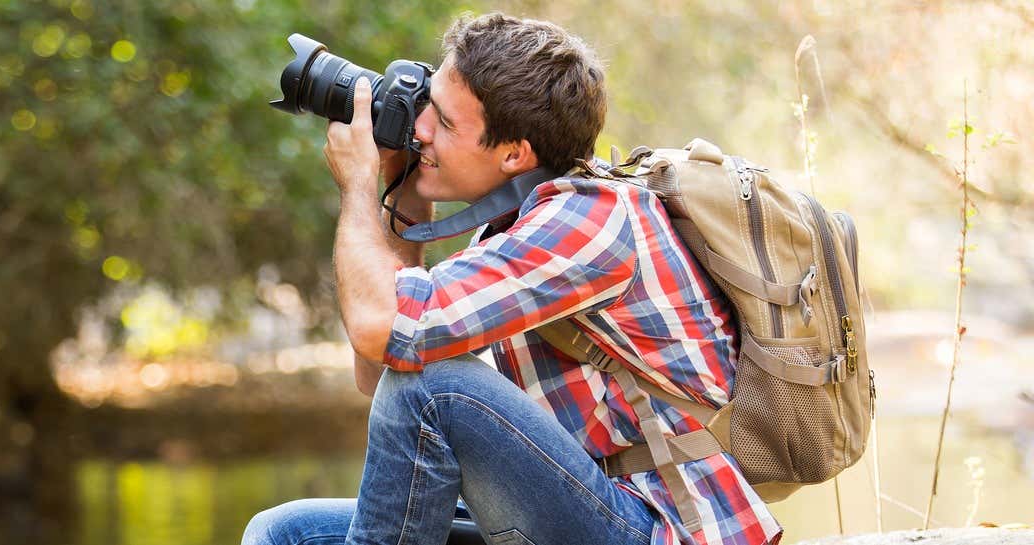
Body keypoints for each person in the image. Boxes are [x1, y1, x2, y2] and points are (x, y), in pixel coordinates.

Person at [242, 12, 782, 545]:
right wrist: (399, 190)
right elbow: (381, 366)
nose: (421, 129)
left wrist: (358, 187)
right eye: (428, 105)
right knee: (288, 532)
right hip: (590, 504)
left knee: (435, 386)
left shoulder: (586, 223)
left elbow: (383, 334)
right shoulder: (514, 230)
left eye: (446, 123)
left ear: (514, 153)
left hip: (662, 526)